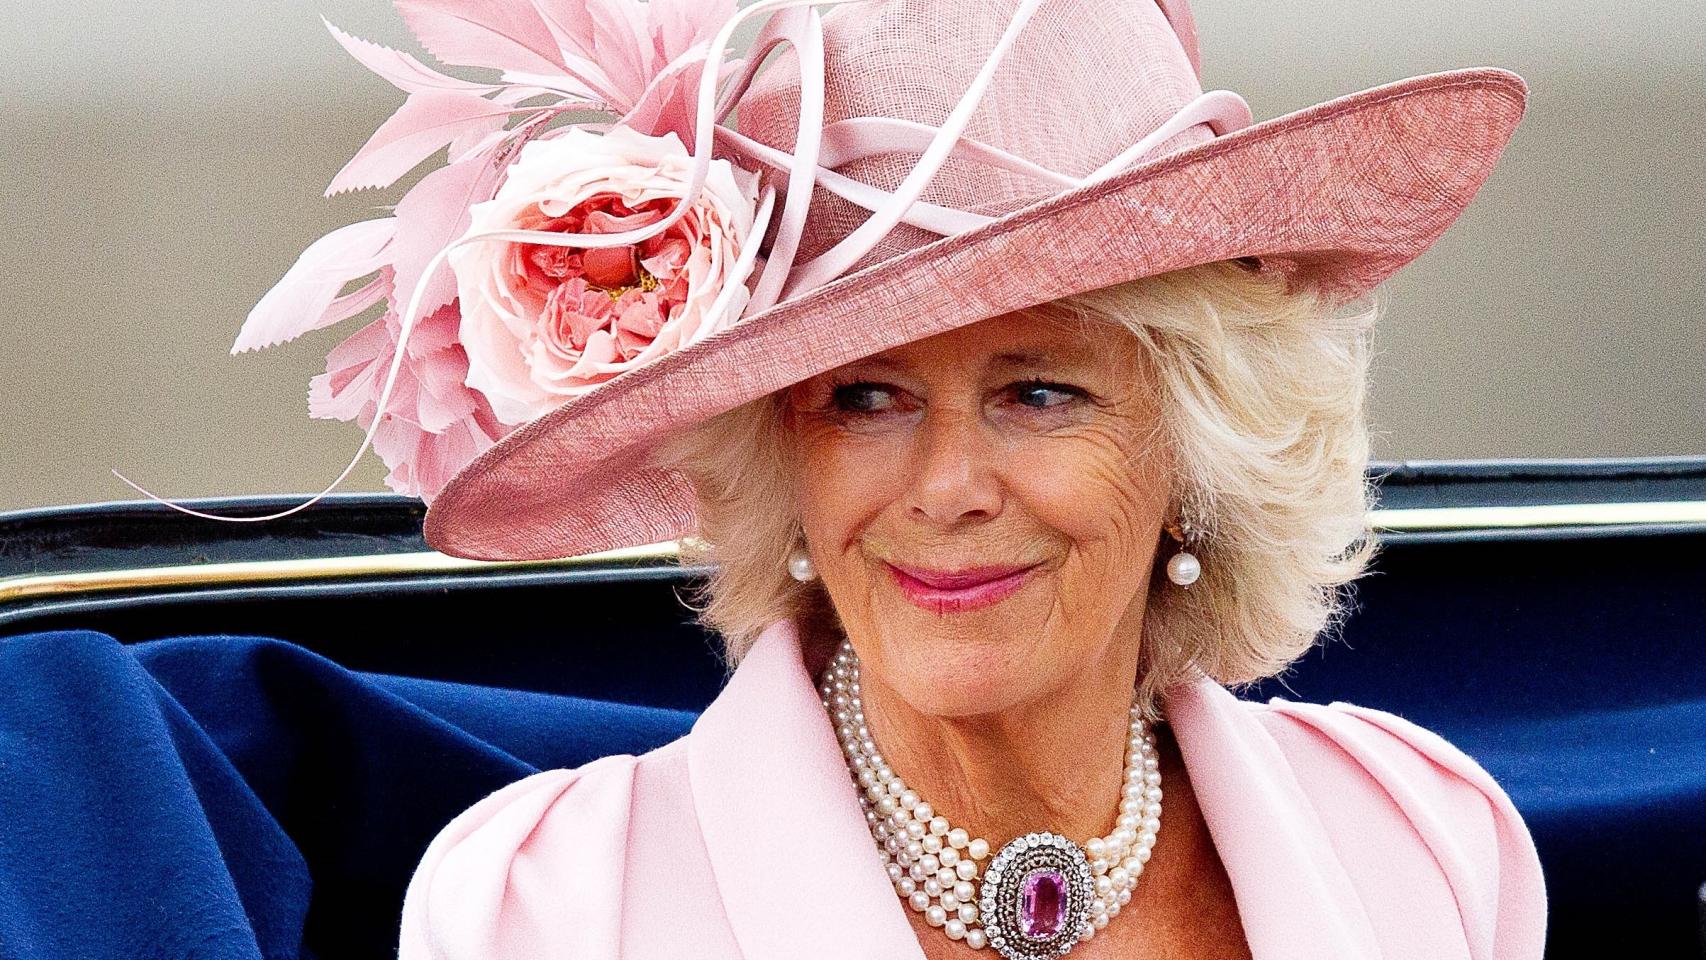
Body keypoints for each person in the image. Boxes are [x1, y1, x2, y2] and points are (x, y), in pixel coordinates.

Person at [170, 0, 1544, 957]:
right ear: (781, 463)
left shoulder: (1421, 842)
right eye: (864, 398)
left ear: (1198, 444)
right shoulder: (544, 909)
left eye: (1039, 393)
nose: (945, 487)